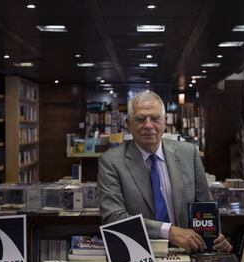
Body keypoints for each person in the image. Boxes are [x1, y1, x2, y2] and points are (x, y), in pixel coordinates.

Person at [98, 91, 232, 253]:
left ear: (165, 121)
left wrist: (215, 237)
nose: (148, 125)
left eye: (155, 118)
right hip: (138, 253)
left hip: (188, 251)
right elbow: (113, 218)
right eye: (140, 119)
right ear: (128, 123)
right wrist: (169, 231)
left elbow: (205, 207)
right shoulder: (111, 161)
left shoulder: (188, 153)